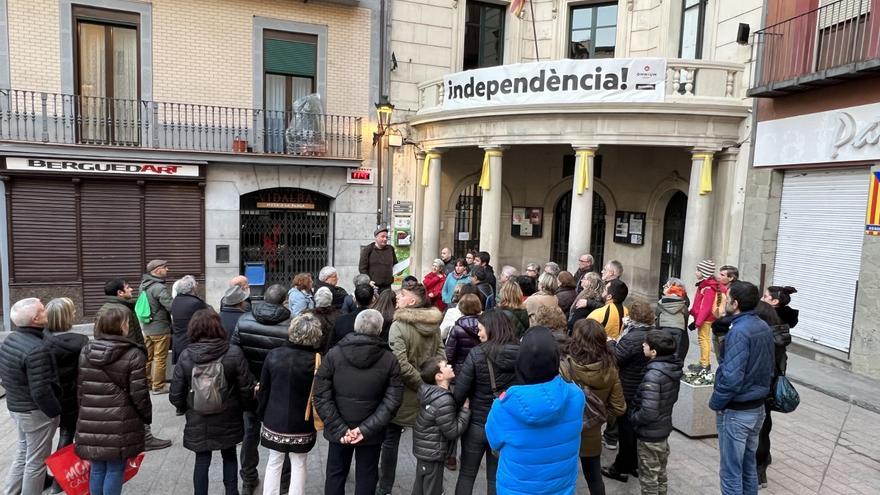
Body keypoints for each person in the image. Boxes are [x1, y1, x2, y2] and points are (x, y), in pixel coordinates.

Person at [314, 309, 404, 495]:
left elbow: (321, 395)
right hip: (370, 433)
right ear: (379, 331)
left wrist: (340, 429)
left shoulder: (333, 354)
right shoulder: (389, 359)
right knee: (367, 476)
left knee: (335, 474)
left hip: (339, 429)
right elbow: (393, 401)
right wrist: (365, 430)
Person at [486, 327, 584, 495]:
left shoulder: (503, 406)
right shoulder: (576, 396)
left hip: (516, 489)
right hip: (561, 488)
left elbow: (494, 443)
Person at [171, 309, 255, 495]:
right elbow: (246, 388)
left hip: (198, 416)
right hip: (229, 415)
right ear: (219, 327)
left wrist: (185, 407)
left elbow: (175, 393)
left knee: (201, 459)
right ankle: (232, 492)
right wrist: (246, 408)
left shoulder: (185, 355)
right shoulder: (233, 352)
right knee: (230, 456)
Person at [75, 306, 151, 495]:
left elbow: (81, 388)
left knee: (97, 468)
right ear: (122, 327)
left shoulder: (86, 351)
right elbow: (139, 393)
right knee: (115, 468)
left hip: (91, 419)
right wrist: (146, 416)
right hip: (121, 420)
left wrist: (83, 412)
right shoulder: (133, 354)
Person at [378, 284, 445, 495]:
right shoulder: (434, 325)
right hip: (428, 395)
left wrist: (420, 384)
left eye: (403, 295)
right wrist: (429, 383)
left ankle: (385, 487)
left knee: (390, 441)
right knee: (428, 444)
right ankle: (432, 488)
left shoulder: (399, 325)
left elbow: (400, 364)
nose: (398, 297)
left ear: (413, 302)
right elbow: (441, 357)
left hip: (402, 395)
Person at [709, 281, 775, 495]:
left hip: (739, 411)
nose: (725, 302)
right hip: (756, 409)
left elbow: (731, 378)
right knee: (748, 468)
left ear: (735, 303)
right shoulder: (762, 326)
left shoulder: (740, 331)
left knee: (731, 472)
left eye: (727, 299)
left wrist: (716, 402)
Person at [97, 278, 172, 452]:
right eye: (127, 287)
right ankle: (144, 437)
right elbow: (129, 339)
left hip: (117, 363)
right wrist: (137, 356)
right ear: (119, 293)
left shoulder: (106, 308)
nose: (132, 289)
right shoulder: (122, 310)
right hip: (127, 362)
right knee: (138, 400)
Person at [231, 284, 293, 495]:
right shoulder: (291, 324)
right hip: (279, 390)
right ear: (284, 301)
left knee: (250, 433)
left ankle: (248, 479)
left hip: (251, 388)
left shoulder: (244, 319)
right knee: (282, 435)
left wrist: (249, 382)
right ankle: (284, 483)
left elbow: (236, 356)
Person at [453, 310, 519, 495]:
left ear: (491, 329)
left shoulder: (476, 354)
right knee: (495, 476)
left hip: (477, 422)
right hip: (506, 424)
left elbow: (460, 392)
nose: (478, 333)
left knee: (467, 473)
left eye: (480, 329)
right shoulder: (521, 354)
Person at [257, 313, 325, 495]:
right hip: (302, 420)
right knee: (299, 461)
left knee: (274, 460)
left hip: (274, 418)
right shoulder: (317, 360)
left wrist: (261, 414)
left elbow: (264, 389)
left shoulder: (274, 355)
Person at [0, 298, 61, 495]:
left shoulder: (11, 339)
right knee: (36, 462)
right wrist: (55, 413)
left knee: (23, 452)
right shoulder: (37, 349)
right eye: (43, 311)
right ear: (35, 319)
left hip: (17, 407)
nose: (47, 313)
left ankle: (10, 492)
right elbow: (41, 390)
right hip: (35, 413)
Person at [560, 319, 626, 495]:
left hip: (564, 432)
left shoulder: (565, 365)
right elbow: (619, 407)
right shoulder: (610, 368)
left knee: (561, 479)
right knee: (594, 478)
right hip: (591, 434)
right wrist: (599, 416)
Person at [602, 300, 654, 482]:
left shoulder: (633, 337)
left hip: (629, 388)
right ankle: (633, 464)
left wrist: (611, 343)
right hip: (642, 385)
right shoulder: (651, 332)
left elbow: (617, 358)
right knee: (633, 428)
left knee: (626, 429)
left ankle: (621, 467)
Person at [629, 330, 683, 495]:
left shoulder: (654, 375)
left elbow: (649, 412)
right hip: (663, 428)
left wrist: (633, 418)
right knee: (660, 474)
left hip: (650, 435)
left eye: (646, 344)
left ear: (654, 351)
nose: (642, 345)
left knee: (649, 479)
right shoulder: (671, 368)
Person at [42, 297, 89, 482]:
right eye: (72, 311)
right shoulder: (81, 341)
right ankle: (61, 478)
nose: (76, 313)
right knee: (67, 434)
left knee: (43, 441)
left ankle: (47, 477)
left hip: (49, 395)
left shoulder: (42, 341)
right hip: (72, 396)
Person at [412, 359, 471, 495]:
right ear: (439, 376)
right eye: (445, 365)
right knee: (432, 490)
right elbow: (453, 431)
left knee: (420, 487)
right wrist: (465, 411)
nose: (450, 366)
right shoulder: (443, 400)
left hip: (425, 450)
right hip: (433, 452)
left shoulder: (431, 393)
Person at [753, 302, 791, 489]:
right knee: (765, 428)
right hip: (770, 389)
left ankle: (759, 471)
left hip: (761, 389)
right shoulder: (779, 338)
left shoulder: (765, 339)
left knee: (759, 431)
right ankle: (763, 462)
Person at [140, 259, 173, 394]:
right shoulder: (159, 287)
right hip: (160, 328)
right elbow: (170, 306)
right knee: (160, 358)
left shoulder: (143, 285)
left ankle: (146, 383)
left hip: (147, 327)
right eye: (165, 267)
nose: (167, 269)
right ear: (157, 270)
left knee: (147, 358)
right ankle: (158, 386)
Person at [689, 259, 723, 373]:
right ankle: (703, 361)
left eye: (698, 270)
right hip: (704, 318)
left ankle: (705, 364)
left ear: (704, 272)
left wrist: (698, 321)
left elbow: (706, 307)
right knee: (703, 339)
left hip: (705, 319)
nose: (696, 272)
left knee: (703, 339)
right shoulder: (705, 285)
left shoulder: (708, 287)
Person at [171, 275, 209, 364]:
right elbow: (205, 322)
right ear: (192, 288)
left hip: (178, 341)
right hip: (191, 343)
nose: (197, 286)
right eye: (196, 284)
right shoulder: (195, 303)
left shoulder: (176, 301)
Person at [98, 278, 144, 348]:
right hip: (127, 354)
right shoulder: (124, 311)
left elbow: (98, 335)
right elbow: (130, 338)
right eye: (128, 287)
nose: (131, 289)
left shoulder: (103, 308)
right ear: (120, 292)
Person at [445, 294, 483, 376]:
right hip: (481, 368)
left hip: (461, 369)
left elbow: (449, 354)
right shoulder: (485, 326)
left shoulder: (456, 329)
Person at [656, 277, 690, 362]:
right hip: (680, 337)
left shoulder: (661, 303)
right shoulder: (683, 305)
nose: (663, 287)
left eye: (666, 286)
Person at [359, 227, 398, 293]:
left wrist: (399, 271)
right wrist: (368, 281)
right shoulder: (368, 249)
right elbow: (362, 268)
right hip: (373, 286)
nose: (385, 239)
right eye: (382, 237)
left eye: (386, 237)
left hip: (387, 286)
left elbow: (395, 264)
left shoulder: (390, 249)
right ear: (376, 237)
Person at [304, 287, 340, 354]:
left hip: (311, 352)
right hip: (331, 352)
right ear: (331, 299)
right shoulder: (339, 315)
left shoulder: (307, 315)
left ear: (316, 299)